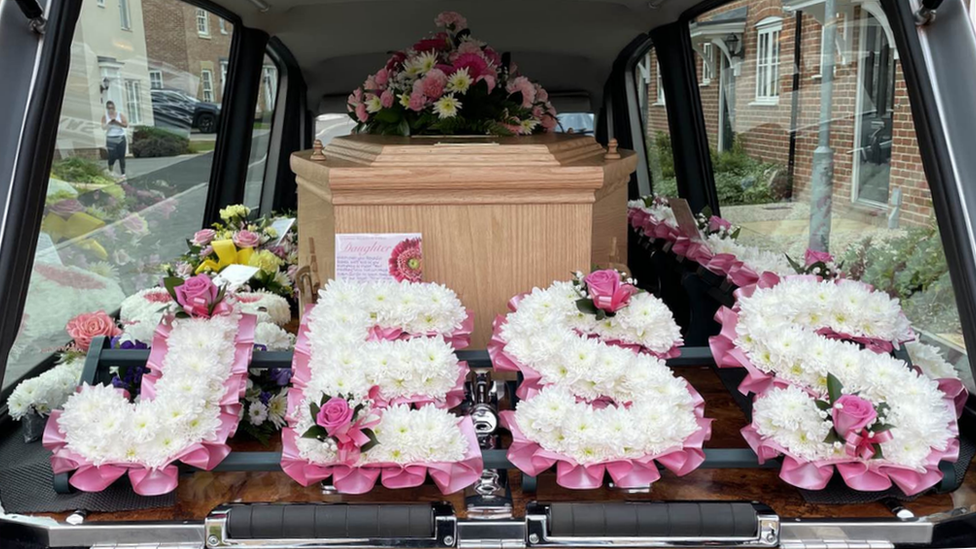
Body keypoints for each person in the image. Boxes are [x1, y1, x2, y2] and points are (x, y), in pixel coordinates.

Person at [101, 101, 128, 181]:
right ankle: (111, 170)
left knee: (121, 156)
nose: (111, 110)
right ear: (107, 108)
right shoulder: (105, 116)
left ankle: (123, 174)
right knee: (112, 156)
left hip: (120, 136)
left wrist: (117, 122)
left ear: (114, 108)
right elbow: (103, 127)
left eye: (112, 108)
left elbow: (125, 125)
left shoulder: (120, 115)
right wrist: (109, 123)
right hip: (111, 137)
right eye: (109, 108)